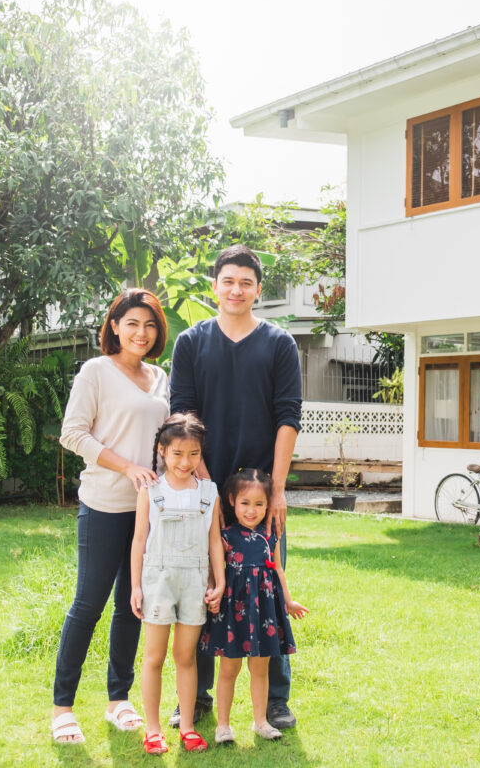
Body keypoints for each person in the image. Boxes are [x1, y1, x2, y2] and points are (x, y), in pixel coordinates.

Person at [169, 244, 303, 729]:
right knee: (206, 590)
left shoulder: (279, 344)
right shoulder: (190, 342)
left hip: (259, 497)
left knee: (265, 587)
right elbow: (183, 415)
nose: (236, 289)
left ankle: (276, 702)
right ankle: (197, 697)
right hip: (203, 488)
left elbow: (288, 417)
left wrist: (279, 491)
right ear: (215, 286)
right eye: (228, 280)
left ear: (258, 290)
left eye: (246, 282)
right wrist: (205, 486)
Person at [51, 289, 170, 745]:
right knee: (89, 605)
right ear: (115, 326)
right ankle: (63, 707)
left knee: (132, 605)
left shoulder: (160, 377)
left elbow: (169, 438)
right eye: (132, 323)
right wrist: (127, 467)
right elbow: (72, 434)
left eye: (150, 325)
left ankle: (118, 699)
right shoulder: (96, 372)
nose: (141, 332)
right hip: (104, 504)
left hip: (149, 512)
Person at [129, 413, 225, 755]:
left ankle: (186, 726)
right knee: (153, 657)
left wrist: (219, 581)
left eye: (194, 454)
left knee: (186, 657)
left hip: (196, 582)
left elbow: (215, 541)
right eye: (178, 454)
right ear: (162, 451)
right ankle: (152, 729)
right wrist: (135, 587)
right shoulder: (150, 490)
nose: (186, 462)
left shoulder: (209, 492)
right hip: (158, 581)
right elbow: (139, 540)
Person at [201, 470, 308, 743]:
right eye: (245, 503)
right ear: (232, 501)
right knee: (229, 669)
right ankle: (223, 726)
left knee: (259, 669)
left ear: (268, 505)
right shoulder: (225, 535)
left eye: (259, 504)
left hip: (264, 611)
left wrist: (288, 600)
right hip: (233, 609)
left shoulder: (271, 535)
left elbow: (279, 570)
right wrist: (213, 588)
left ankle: (260, 721)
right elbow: (215, 566)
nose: (252, 510)